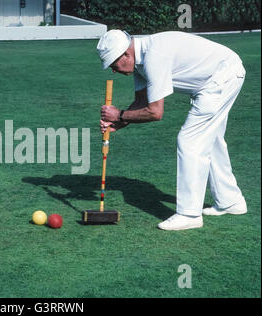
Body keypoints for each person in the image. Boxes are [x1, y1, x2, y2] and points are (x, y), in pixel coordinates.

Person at [97, 30, 247, 230]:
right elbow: (142, 102)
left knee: (190, 140)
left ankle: (189, 214)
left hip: (222, 77)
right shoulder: (139, 62)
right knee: (212, 139)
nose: (114, 71)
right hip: (219, 76)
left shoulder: (154, 57)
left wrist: (120, 115)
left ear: (126, 54)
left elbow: (155, 112)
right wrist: (119, 122)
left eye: (114, 64)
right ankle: (231, 201)